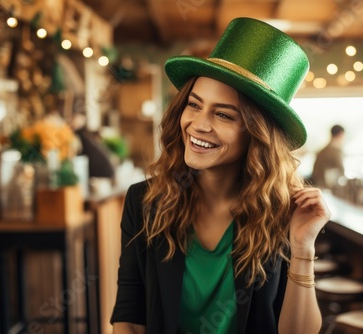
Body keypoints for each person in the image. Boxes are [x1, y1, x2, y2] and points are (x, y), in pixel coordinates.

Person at [111, 17, 331, 334]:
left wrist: (303, 248)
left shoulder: (285, 212)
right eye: (194, 105)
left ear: (257, 134)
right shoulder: (144, 201)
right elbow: (129, 317)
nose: (198, 124)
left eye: (224, 114)